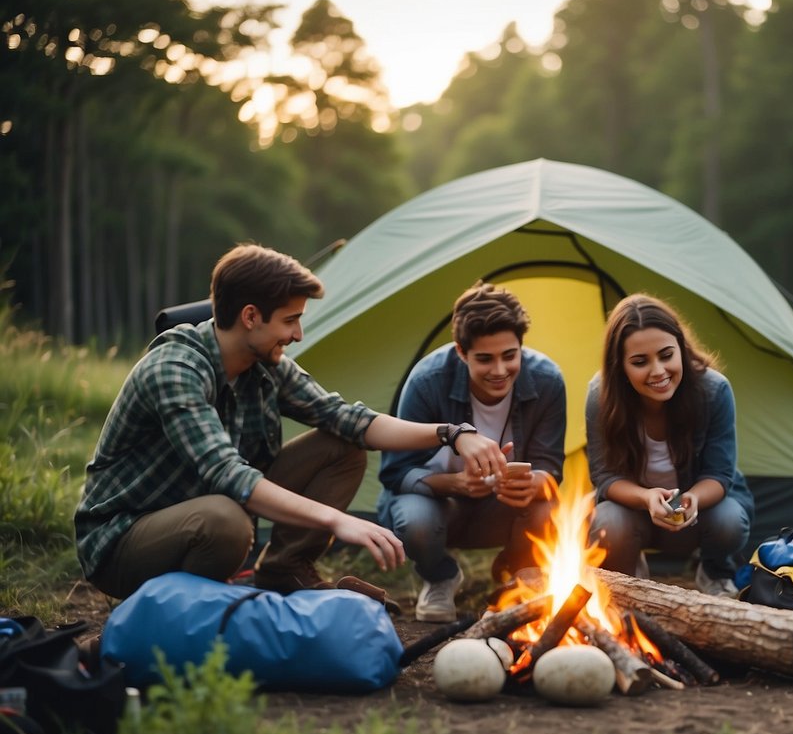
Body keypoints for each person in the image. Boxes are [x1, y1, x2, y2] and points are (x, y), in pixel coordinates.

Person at [75, 244, 507, 602]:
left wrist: (453, 434)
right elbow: (228, 475)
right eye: (290, 320)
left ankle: (282, 572)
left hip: (204, 506)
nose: (298, 334)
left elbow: (349, 420)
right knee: (226, 521)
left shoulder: (264, 362)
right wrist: (337, 520)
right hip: (124, 541)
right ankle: (184, 612)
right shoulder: (175, 369)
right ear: (250, 317)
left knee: (342, 445)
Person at [378, 282, 566, 622]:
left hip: (502, 507)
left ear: (521, 346)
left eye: (510, 355)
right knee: (415, 519)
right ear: (461, 352)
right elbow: (394, 473)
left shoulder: (548, 380)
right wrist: (457, 484)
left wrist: (534, 482)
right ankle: (441, 577)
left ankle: (518, 574)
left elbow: (550, 468)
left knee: (548, 506)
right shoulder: (427, 381)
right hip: (440, 505)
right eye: (484, 359)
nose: (499, 371)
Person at [586, 294, 753, 597]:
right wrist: (647, 498)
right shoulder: (601, 396)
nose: (658, 371)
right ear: (620, 366)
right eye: (640, 362)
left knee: (730, 520)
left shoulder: (713, 391)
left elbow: (720, 475)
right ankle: (629, 582)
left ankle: (714, 572)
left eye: (666, 355)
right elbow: (605, 478)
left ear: (681, 348)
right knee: (607, 520)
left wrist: (690, 501)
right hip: (634, 512)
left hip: (695, 513)